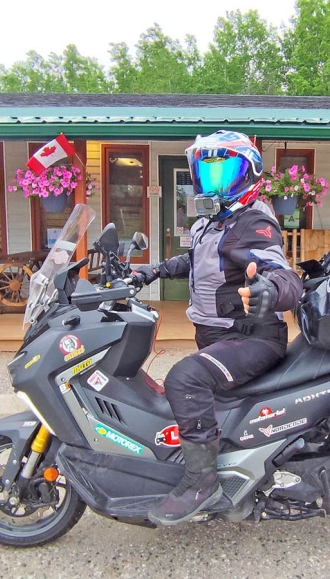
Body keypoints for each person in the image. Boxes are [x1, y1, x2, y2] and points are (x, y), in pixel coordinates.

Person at [131, 131, 302, 526]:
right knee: (207, 395)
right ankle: (232, 465)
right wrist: (151, 271)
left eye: (224, 174)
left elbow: (284, 274)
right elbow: (195, 261)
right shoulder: (211, 223)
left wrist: (270, 289)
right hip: (220, 335)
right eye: (207, 175)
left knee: (185, 379)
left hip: (252, 337)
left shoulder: (254, 221)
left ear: (248, 175)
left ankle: (202, 482)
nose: (214, 185)